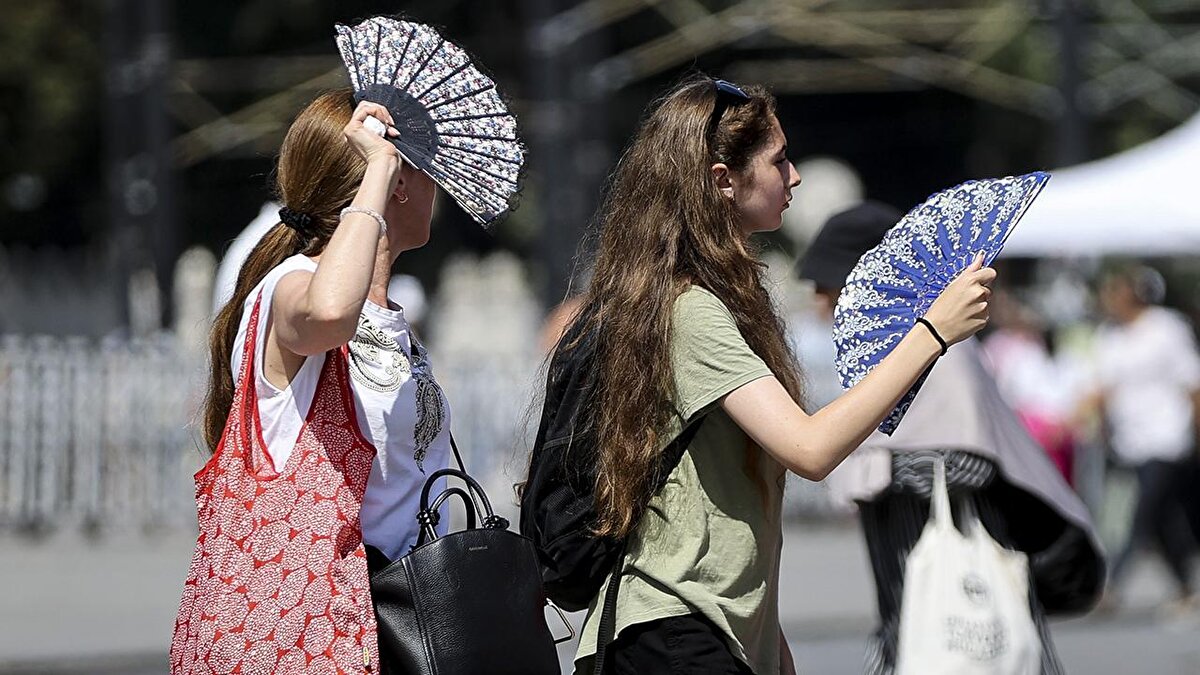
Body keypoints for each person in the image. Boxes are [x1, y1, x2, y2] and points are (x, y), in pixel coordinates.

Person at [559, 76, 996, 675]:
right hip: (673, 631)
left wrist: (772, 648)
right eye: (779, 160)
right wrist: (932, 332)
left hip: (704, 631)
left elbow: (727, 510)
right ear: (722, 180)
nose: (795, 177)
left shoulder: (707, 299)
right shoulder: (691, 310)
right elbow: (810, 449)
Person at [171, 90, 452, 673]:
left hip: (390, 622)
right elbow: (329, 314)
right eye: (428, 168)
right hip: (303, 630)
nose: (440, 187)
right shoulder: (291, 285)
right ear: (396, 181)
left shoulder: (394, 322)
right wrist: (378, 166)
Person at [798, 202, 1105, 675]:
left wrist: (868, 462)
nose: (819, 300)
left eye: (827, 285)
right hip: (906, 595)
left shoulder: (944, 349)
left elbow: (973, 463)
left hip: (968, 586)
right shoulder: (884, 354)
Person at [1086, 265, 1200, 613]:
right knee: (1162, 517)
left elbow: (1191, 383)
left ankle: (1111, 585)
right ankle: (1185, 585)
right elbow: (1103, 387)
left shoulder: (1167, 329)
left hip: (1167, 436)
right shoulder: (1110, 336)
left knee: (1141, 511)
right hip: (1129, 440)